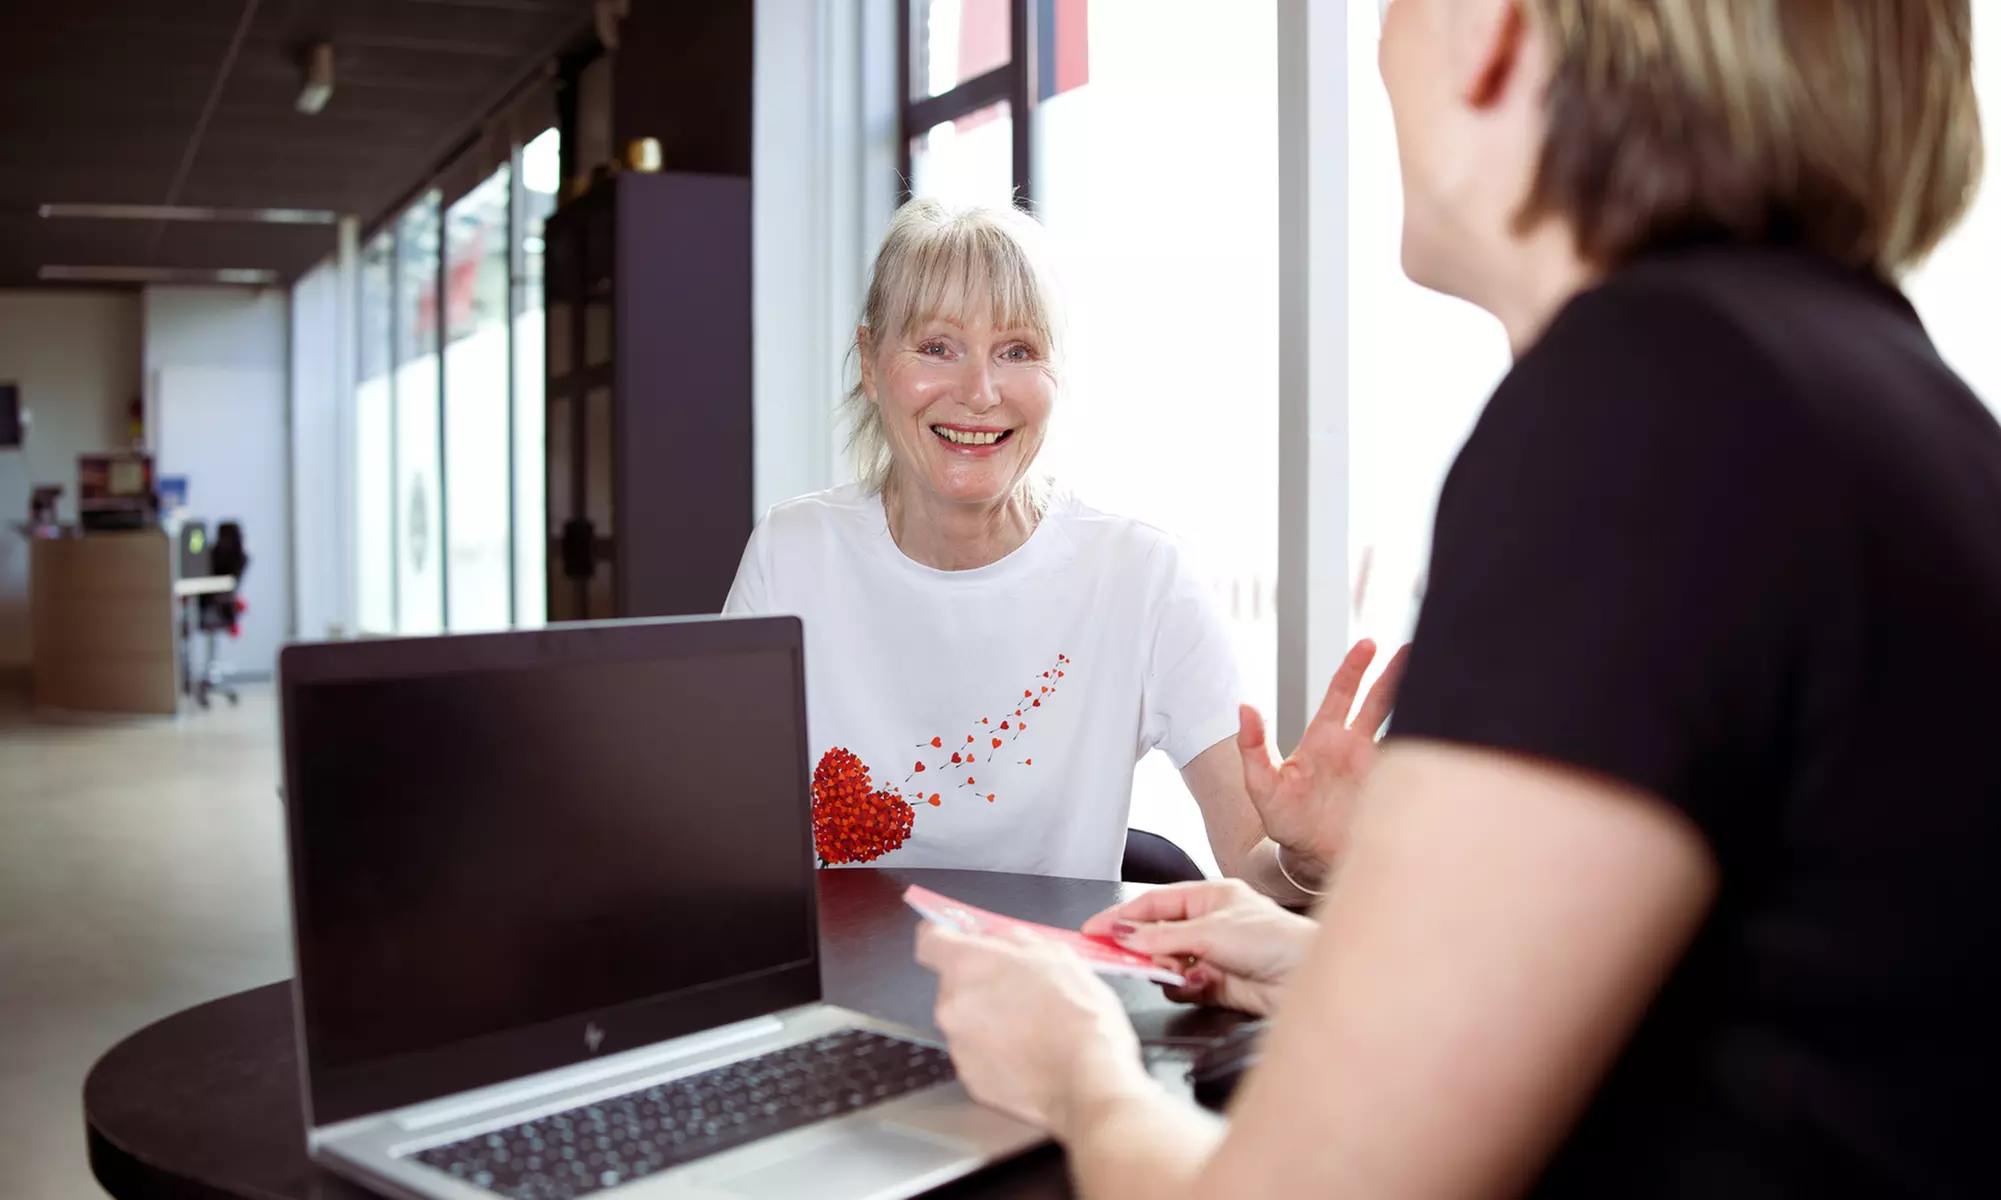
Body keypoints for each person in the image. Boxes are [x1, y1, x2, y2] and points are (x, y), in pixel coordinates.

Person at [916, 0, 1998, 1195]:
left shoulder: (1647, 407)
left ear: (1493, 32)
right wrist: (1315, 959)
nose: (1381, 46)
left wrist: (1076, 1067)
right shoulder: (1893, 404)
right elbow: (1751, 1031)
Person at [726, 198, 1402, 898]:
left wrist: (1314, 855)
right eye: (936, 347)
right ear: (870, 364)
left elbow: (1253, 862)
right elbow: (717, 829)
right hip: (837, 993)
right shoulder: (792, 554)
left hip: (1055, 998)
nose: (979, 392)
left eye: (1016, 351)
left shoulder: (1140, 577)